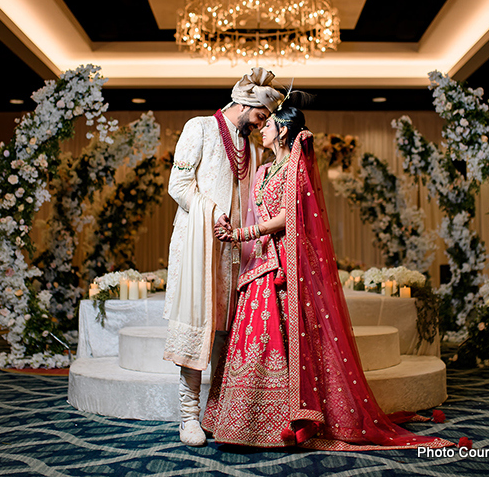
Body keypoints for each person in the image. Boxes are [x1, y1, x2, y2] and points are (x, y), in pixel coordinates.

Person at [203, 96, 455, 450]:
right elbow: (255, 212)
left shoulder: (296, 167)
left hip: (285, 262)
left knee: (286, 334)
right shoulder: (262, 170)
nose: (261, 130)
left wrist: (242, 234)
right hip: (260, 261)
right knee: (255, 336)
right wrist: (235, 231)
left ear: (283, 130)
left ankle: (291, 420)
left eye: (268, 125)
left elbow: (287, 218)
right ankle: (245, 420)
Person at [163, 67, 286, 447]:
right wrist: (213, 212)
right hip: (199, 244)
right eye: (263, 115)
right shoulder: (198, 127)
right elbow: (178, 186)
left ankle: (216, 411)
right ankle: (187, 417)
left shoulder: (248, 145)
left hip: (235, 249)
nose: (264, 123)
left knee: (225, 331)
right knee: (197, 327)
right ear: (247, 102)